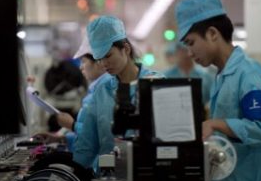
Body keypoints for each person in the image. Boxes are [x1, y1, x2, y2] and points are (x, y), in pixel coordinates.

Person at [175, 0, 261, 181]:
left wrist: (216, 124)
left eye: (191, 43)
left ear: (212, 34)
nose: (189, 53)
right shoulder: (221, 77)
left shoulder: (249, 74)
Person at [72, 16, 163, 170]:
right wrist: (73, 175)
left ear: (125, 49)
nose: (104, 64)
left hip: (149, 176)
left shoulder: (157, 84)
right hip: (110, 180)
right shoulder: (102, 91)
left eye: (108, 56)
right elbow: (87, 145)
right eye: (99, 58)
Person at [35, 34, 112, 153]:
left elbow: (101, 136)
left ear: (99, 62)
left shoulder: (106, 91)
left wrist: (72, 125)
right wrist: (61, 139)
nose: (80, 67)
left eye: (83, 62)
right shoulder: (95, 91)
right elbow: (88, 137)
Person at [163, 41, 215, 106]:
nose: (185, 54)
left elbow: (212, 100)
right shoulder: (166, 76)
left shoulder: (205, 76)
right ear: (176, 53)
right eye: (181, 51)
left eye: (187, 50)